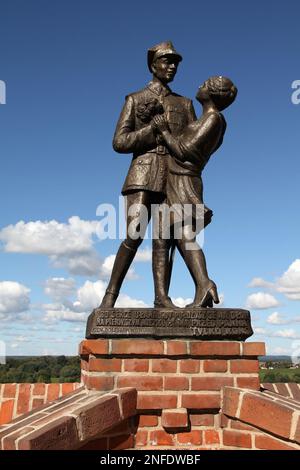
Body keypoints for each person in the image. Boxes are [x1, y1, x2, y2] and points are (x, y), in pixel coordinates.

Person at [100, 41, 196, 308]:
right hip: (142, 173)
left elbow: (191, 143)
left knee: (165, 237)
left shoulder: (185, 104)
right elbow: (119, 142)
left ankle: (162, 298)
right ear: (153, 66)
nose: (172, 66)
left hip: (174, 176)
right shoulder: (135, 99)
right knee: (134, 233)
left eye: (175, 62)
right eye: (166, 61)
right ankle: (110, 297)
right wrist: (151, 131)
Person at [152, 76, 237, 307]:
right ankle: (167, 296)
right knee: (164, 238)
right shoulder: (205, 119)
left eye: (205, 84)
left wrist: (164, 131)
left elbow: (184, 150)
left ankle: (204, 283)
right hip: (173, 180)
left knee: (184, 235)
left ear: (213, 93)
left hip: (184, 182)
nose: (199, 84)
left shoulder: (214, 119)